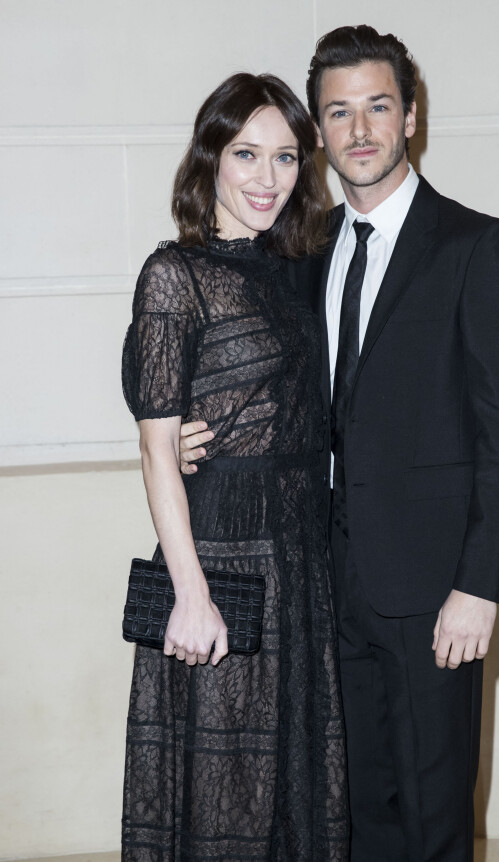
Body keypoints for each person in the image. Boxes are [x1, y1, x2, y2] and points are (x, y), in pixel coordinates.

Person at [179, 27, 499, 862]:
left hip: (431, 594)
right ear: (318, 132)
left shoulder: (477, 247)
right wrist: (199, 432)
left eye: (378, 106)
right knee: (352, 813)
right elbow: (249, 374)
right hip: (319, 581)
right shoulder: (301, 258)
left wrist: (480, 587)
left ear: (410, 116)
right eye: (339, 113)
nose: (361, 129)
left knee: (433, 812)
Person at [121, 72, 349, 862]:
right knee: (223, 789)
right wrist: (189, 595)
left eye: (286, 157)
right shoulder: (174, 275)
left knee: (296, 785)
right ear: (210, 157)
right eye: (247, 153)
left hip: (302, 556)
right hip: (219, 553)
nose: (267, 178)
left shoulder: (306, 268)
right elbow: (157, 446)